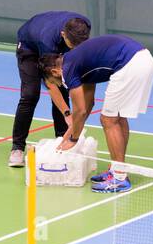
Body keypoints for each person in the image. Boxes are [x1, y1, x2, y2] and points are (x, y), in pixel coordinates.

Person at [40, 33, 153, 193]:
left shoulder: (67, 70)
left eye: (53, 83)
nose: (57, 85)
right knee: (118, 117)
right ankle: (117, 169)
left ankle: (119, 177)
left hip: (129, 64)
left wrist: (73, 139)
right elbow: (88, 104)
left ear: (54, 72)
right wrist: (71, 131)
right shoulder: (77, 61)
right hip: (143, 59)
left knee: (108, 120)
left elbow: (80, 110)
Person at [8, 11, 91, 167]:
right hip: (29, 48)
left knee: (64, 88)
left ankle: (62, 140)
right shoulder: (47, 41)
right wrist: (68, 113)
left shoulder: (83, 25)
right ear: (63, 35)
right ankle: (17, 148)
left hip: (55, 43)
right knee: (30, 95)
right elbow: (51, 84)